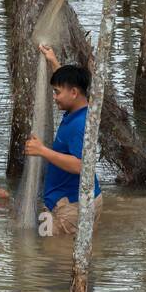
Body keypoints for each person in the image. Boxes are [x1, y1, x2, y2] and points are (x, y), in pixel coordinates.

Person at [24, 44, 100, 236]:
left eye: (57, 92)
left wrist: (42, 150)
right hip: (61, 201)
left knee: (56, 257)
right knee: (45, 248)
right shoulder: (79, 109)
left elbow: (81, 165)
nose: (55, 97)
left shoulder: (80, 124)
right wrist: (53, 61)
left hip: (70, 208)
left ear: (74, 93)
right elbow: (68, 89)